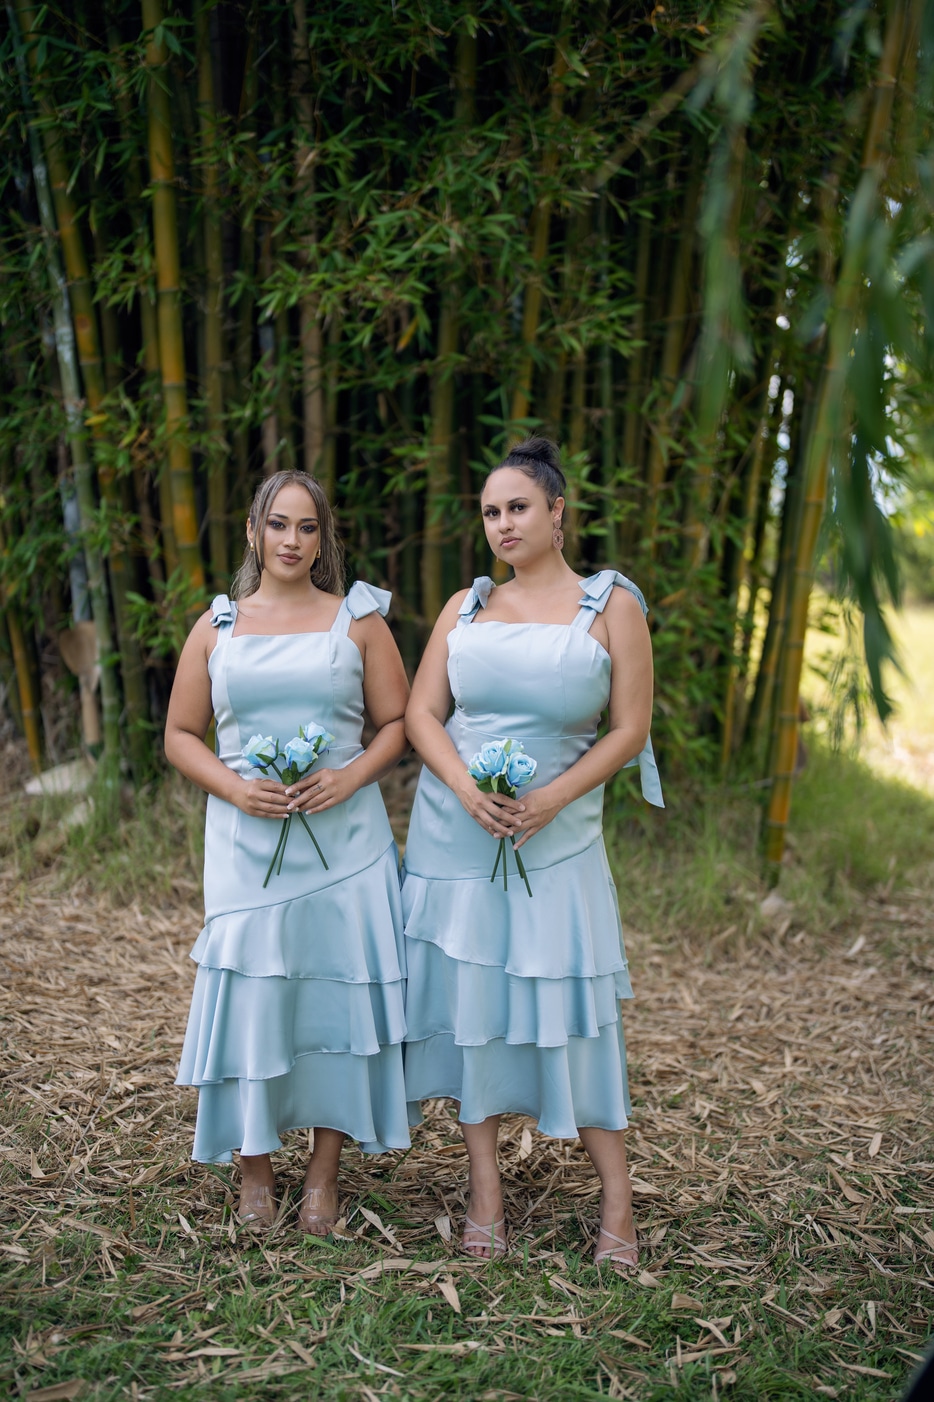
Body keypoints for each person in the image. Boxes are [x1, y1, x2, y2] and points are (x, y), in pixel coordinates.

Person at [401, 437, 663, 1273]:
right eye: (489, 512)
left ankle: (615, 1197)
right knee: (473, 1007)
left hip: (559, 830)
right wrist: (464, 790)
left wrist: (551, 798)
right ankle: (486, 1192)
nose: (503, 524)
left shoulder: (608, 603)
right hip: (459, 830)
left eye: (518, 507)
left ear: (558, 511)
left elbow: (629, 729)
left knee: (573, 1012)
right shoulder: (465, 607)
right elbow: (420, 715)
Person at [165, 470, 410, 1232]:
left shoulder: (358, 619)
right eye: (279, 525)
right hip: (247, 841)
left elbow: (399, 724)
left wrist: (349, 778)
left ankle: (323, 1176)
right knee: (255, 998)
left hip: (345, 842)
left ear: (323, 538)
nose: (292, 541)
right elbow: (179, 735)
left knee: (335, 995)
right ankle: (254, 1169)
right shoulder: (218, 626)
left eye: (307, 528)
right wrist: (236, 790)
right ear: (252, 531)